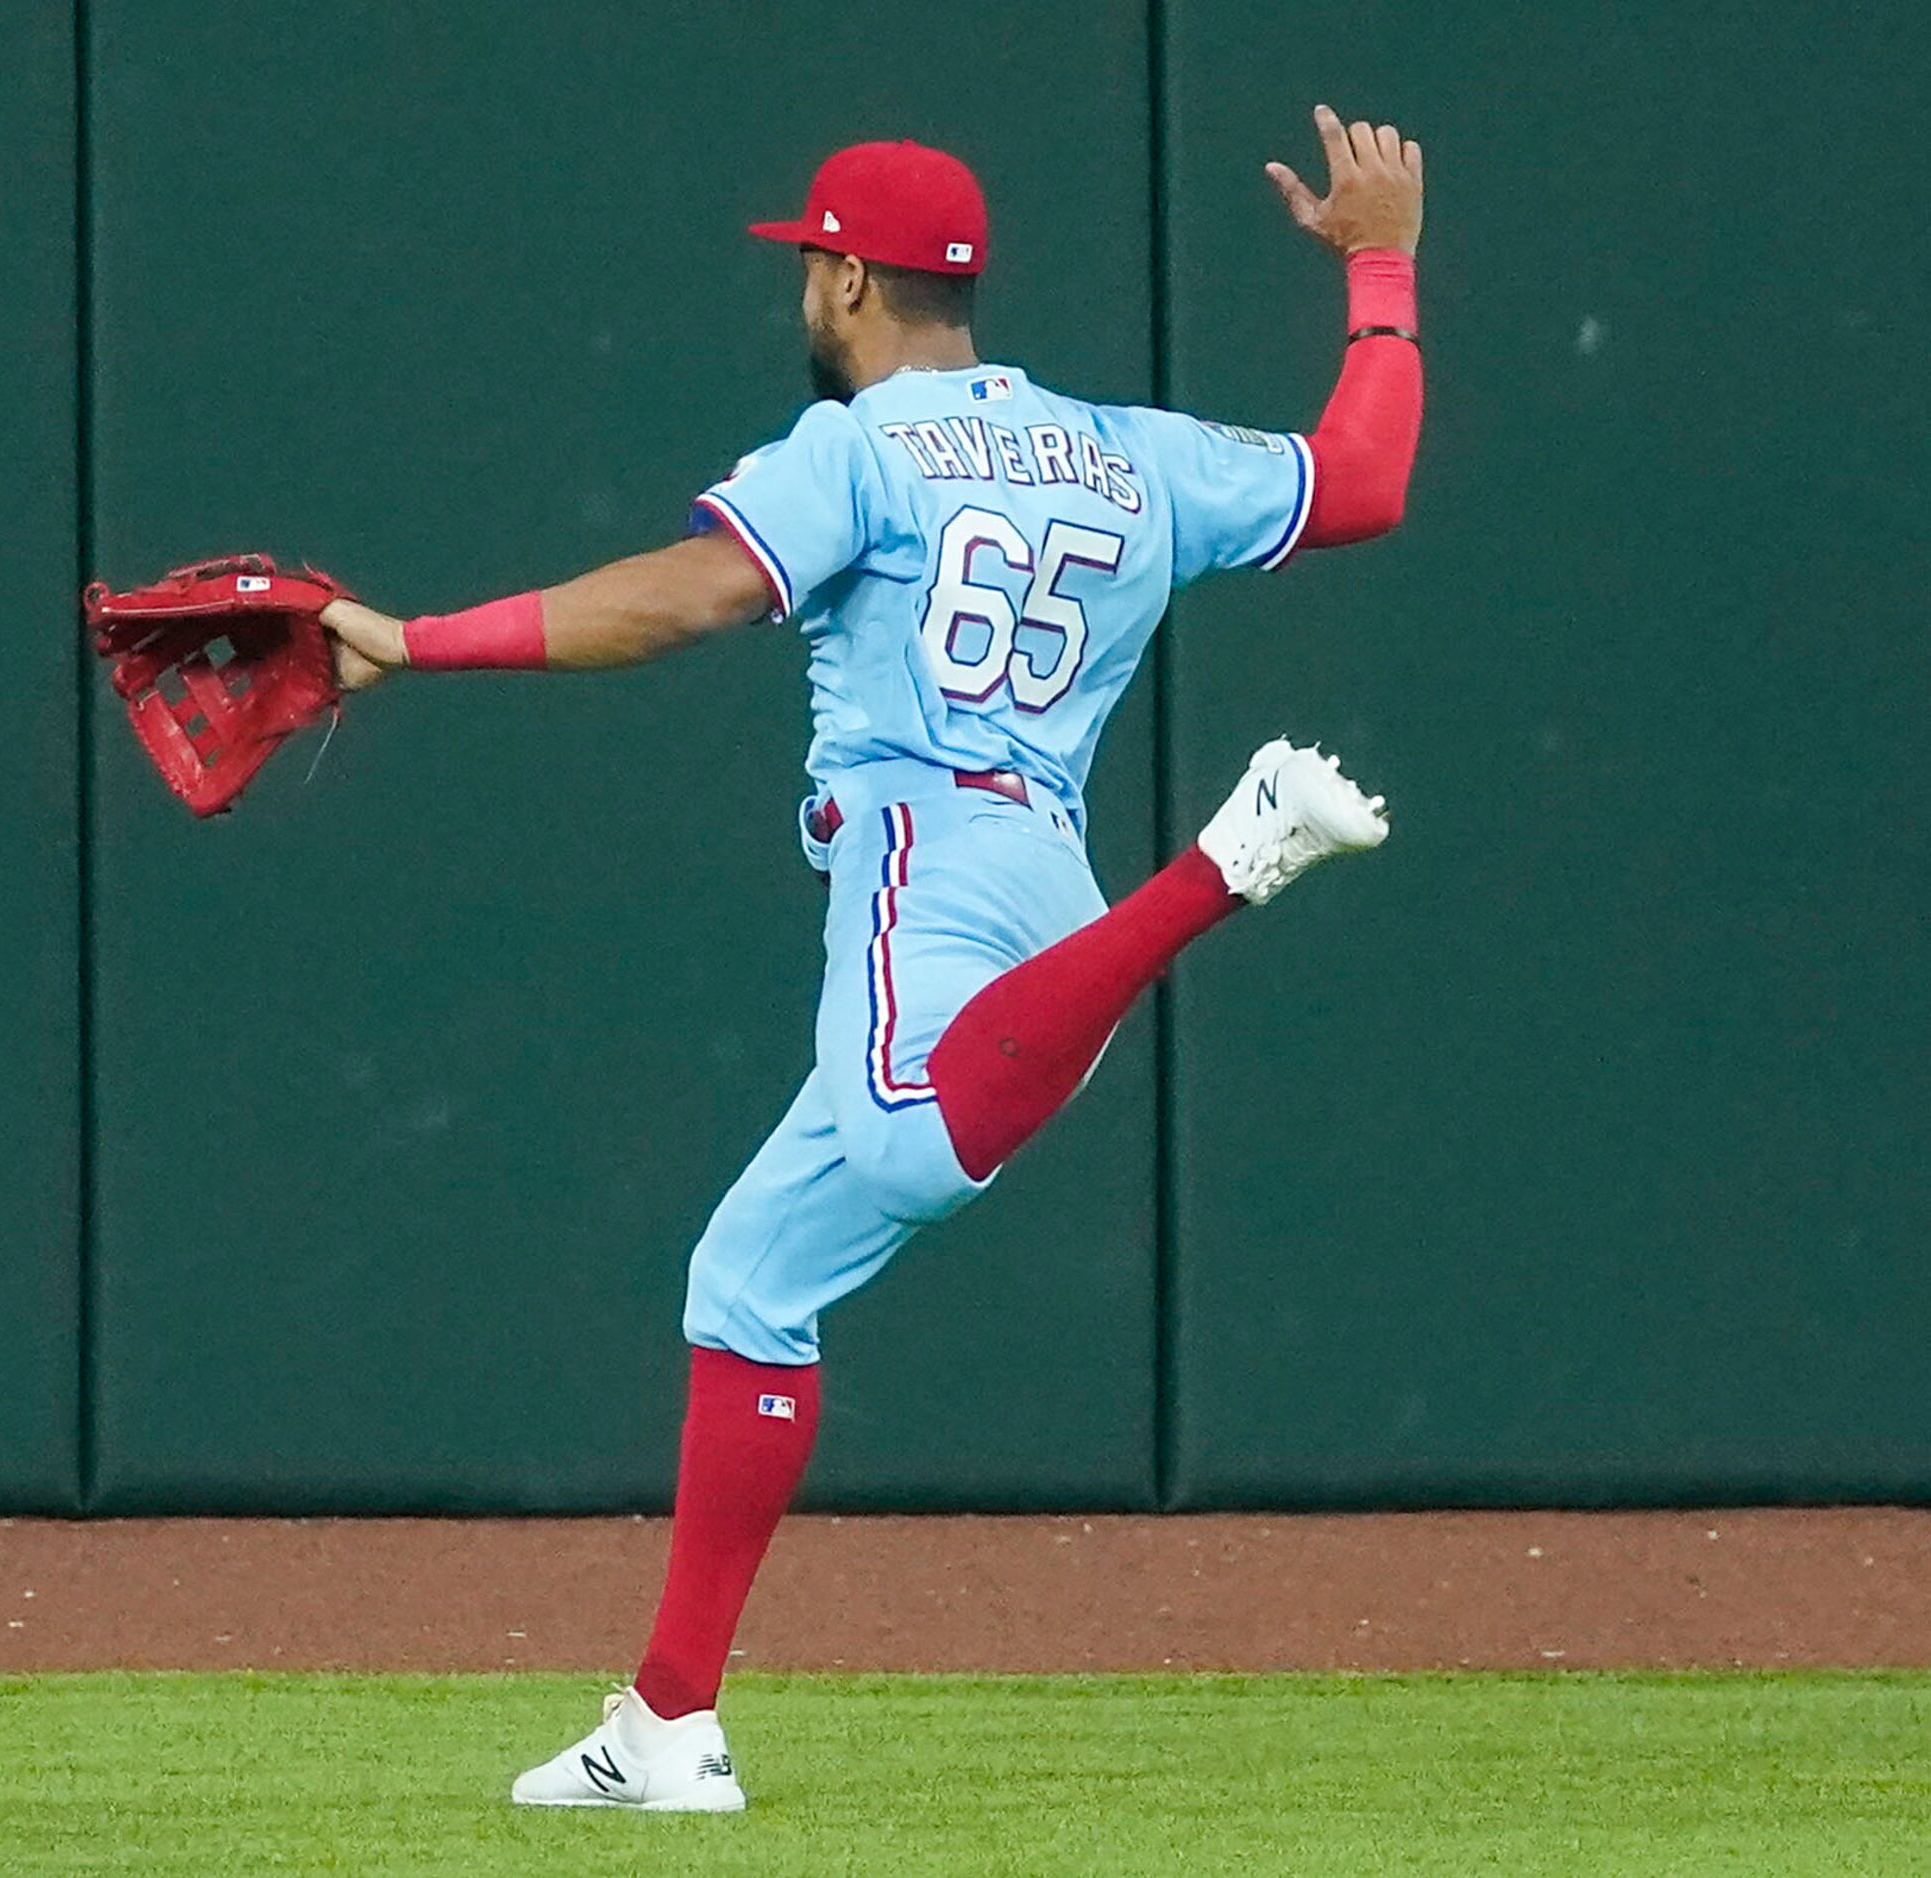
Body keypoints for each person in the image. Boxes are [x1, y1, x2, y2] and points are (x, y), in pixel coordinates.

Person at [320, 106, 1426, 1813]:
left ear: (845, 276)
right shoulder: (1122, 450)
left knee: (908, 1134)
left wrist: (418, 640)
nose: (808, 294)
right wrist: (1378, 269)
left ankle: (1229, 856)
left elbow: (690, 592)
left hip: (927, 866)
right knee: (751, 1278)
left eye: (811, 268)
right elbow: (1360, 478)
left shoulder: (860, 446)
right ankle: (667, 1724)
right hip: (1040, 891)